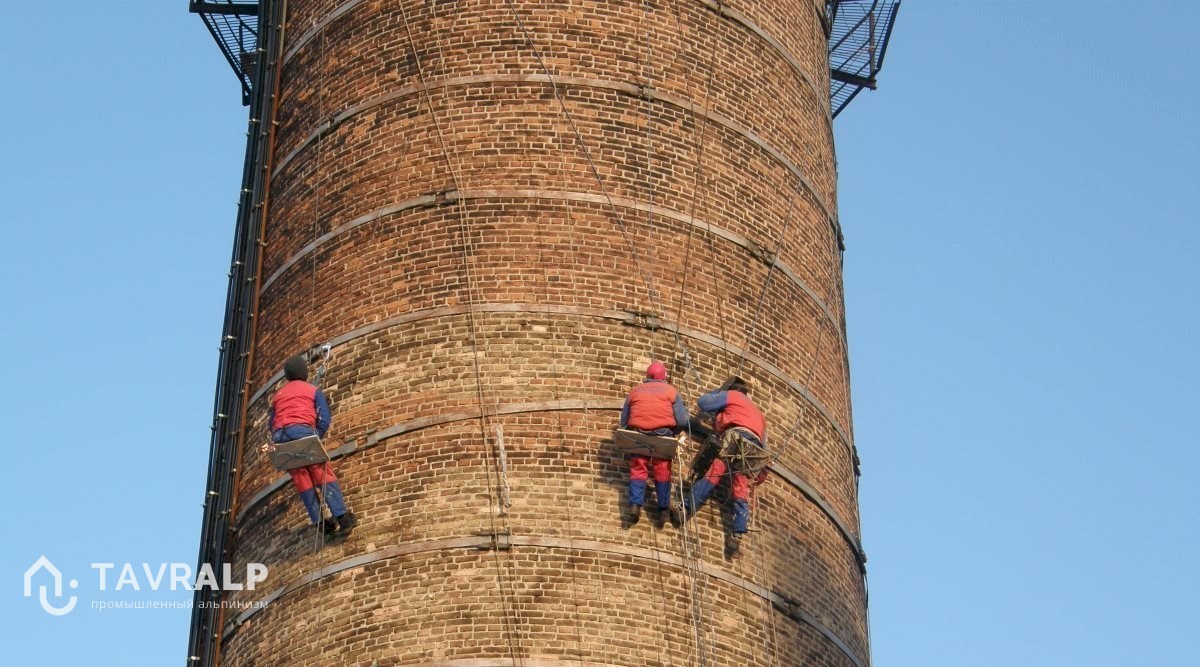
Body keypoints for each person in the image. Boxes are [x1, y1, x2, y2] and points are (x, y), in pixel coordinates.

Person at [264, 355, 357, 535]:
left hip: (280, 438)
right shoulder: (312, 390)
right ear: (304, 372)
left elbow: (271, 423)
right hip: (302, 432)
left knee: (301, 478)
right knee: (322, 473)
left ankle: (321, 524)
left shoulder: (278, 396)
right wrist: (315, 437)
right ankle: (342, 517)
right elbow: (324, 418)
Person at [684, 378, 767, 556]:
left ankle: (687, 506)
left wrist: (717, 393)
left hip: (737, 435)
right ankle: (737, 534)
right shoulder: (759, 415)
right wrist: (761, 472)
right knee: (741, 484)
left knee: (717, 470)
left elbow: (703, 403)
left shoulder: (733, 396)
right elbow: (763, 445)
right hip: (754, 446)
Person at [619, 361, 689, 525]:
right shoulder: (671, 391)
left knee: (638, 470)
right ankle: (663, 510)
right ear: (663, 376)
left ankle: (635, 505)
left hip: (638, 435)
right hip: (662, 435)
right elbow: (683, 419)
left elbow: (624, 420)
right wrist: (675, 432)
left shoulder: (635, 391)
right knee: (662, 472)